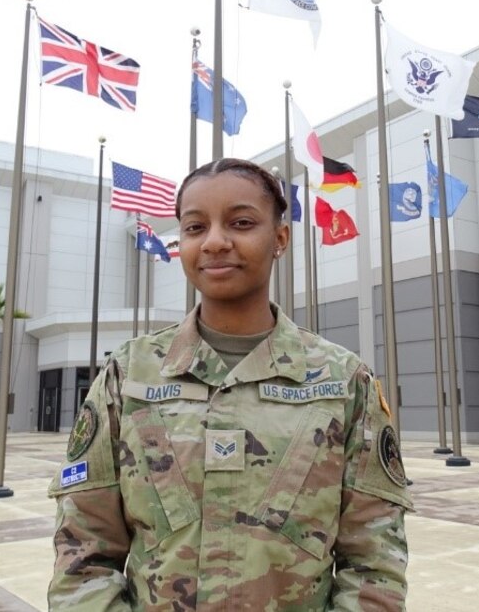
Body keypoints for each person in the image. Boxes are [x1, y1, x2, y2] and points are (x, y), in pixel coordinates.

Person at [47, 157, 412, 611]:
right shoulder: (129, 375)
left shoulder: (342, 380)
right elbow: (84, 554)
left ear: (279, 238)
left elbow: (374, 562)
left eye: (240, 223)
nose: (216, 242)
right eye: (195, 228)